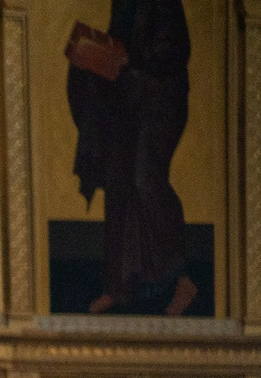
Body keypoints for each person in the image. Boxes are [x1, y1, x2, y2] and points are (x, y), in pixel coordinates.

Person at [64, 0, 195, 315]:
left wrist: (128, 57)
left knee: (146, 180)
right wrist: (95, 56)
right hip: (129, 102)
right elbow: (118, 43)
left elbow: (175, 50)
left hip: (160, 104)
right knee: (119, 183)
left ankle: (181, 281)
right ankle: (116, 287)